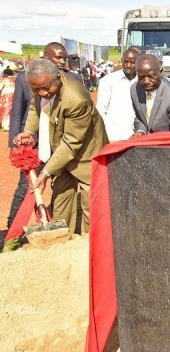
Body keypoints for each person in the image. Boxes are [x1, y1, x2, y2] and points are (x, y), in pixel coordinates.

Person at [13, 59, 109, 234]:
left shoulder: (76, 99)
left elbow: (72, 142)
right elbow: (36, 108)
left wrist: (46, 172)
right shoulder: (40, 82)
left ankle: (88, 246)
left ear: (58, 77)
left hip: (86, 153)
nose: (42, 93)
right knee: (61, 197)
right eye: (36, 89)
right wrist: (29, 131)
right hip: (60, 148)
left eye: (47, 88)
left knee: (91, 206)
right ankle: (63, 240)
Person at [131, 54, 170, 136]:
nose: (146, 81)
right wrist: (141, 131)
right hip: (145, 145)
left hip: (167, 146)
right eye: (141, 77)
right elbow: (139, 117)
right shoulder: (135, 89)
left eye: (151, 76)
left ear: (161, 71)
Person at [96, 48, 140, 141]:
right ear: (121, 61)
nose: (128, 65)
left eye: (132, 62)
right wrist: (107, 132)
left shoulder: (143, 82)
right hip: (114, 136)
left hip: (137, 136)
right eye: (126, 62)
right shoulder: (108, 81)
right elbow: (101, 109)